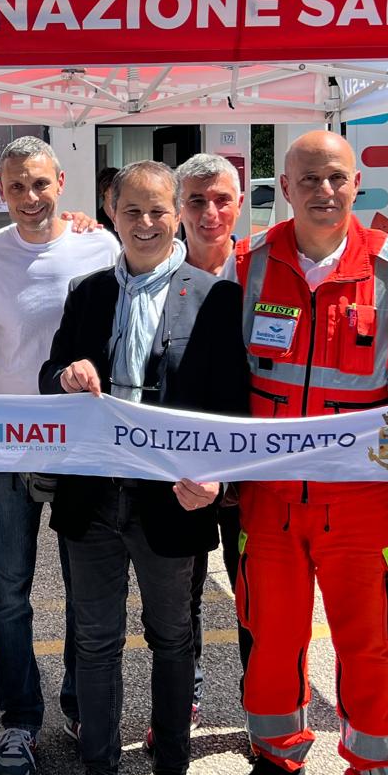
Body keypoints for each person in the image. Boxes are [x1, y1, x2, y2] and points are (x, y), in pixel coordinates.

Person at [209, 130, 388, 775]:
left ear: (355, 180)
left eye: (335, 177)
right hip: (268, 499)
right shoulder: (251, 262)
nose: (323, 191)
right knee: (269, 639)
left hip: (361, 503)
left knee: (370, 650)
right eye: (308, 177)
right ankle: (277, 767)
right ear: (284, 183)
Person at [40, 160, 249, 775]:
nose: (148, 222)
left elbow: (229, 406)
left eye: (160, 209)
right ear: (112, 213)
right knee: (95, 644)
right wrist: (65, 374)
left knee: (173, 641)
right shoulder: (88, 290)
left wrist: (215, 481)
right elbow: (50, 374)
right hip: (93, 502)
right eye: (133, 210)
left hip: (172, 505)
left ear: (178, 214)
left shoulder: (213, 295)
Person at [0, 136, 121, 775]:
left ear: (61, 180)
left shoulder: (102, 247)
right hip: (6, 448)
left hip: (82, 446)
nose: (30, 199)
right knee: (9, 592)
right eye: (15, 188)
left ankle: (82, 706)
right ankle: (19, 720)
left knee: (88, 591)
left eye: (39, 184)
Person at [174, 152, 252, 730]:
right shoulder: (159, 275)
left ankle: (263, 709)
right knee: (184, 598)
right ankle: (184, 702)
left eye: (222, 199)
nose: (209, 212)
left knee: (255, 596)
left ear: (240, 204)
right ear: (178, 208)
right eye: (196, 200)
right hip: (183, 469)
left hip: (252, 468)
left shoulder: (265, 272)